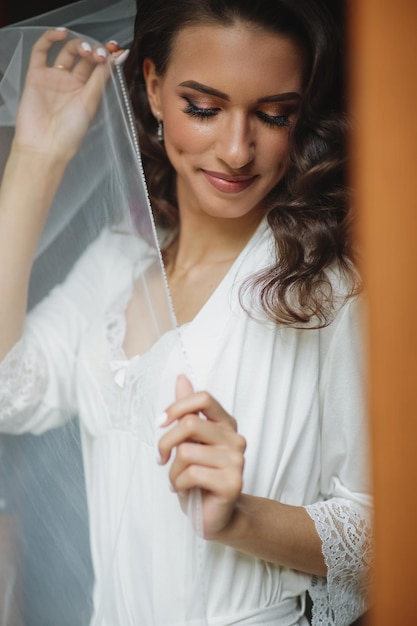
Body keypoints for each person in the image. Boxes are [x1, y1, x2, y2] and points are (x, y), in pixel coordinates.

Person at [0, 0, 372, 624]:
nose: (235, 150)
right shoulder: (118, 259)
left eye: (274, 115)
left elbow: (381, 532)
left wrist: (237, 516)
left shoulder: (328, 287)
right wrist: (39, 157)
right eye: (203, 107)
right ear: (151, 86)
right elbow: (9, 389)